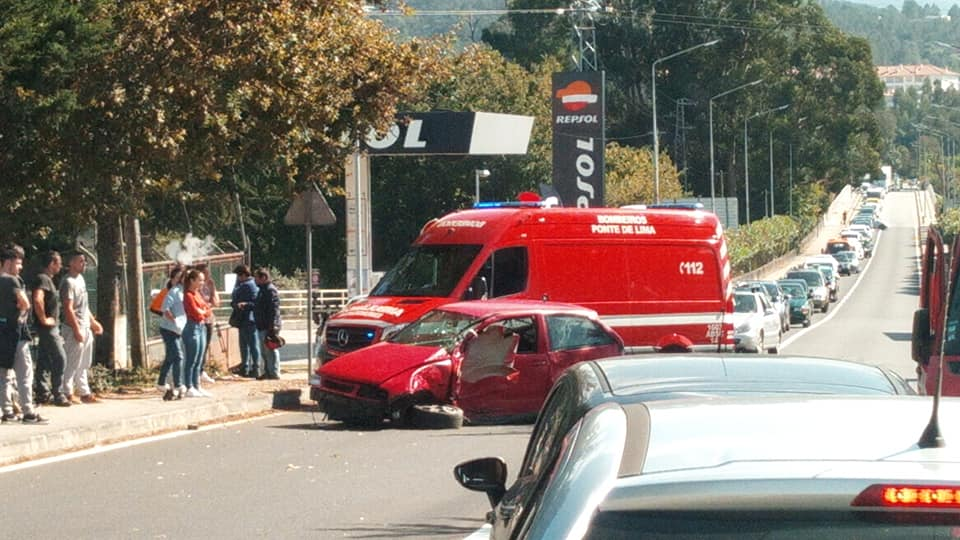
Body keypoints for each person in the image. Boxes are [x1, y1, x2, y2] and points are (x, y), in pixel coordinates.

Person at [0, 243, 46, 423]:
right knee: (24, 373)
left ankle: (7, 411)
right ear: (9, 262)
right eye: (18, 263)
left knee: (3, 374)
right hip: (17, 333)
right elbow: (25, 303)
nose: (20, 267)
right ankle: (28, 412)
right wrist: (21, 314)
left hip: (1, 332)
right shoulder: (13, 281)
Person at [60, 252, 103, 404]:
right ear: (71, 263)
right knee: (72, 361)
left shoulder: (81, 279)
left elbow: (85, 306)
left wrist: (92, 322)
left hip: (85, 326)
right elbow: (68, 308)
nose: (84, 264)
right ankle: (67, 391)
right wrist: (76, 329)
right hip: (73, 327)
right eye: (80, 261)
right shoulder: (68, 282)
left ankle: (84, 392)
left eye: (84, 261)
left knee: (84, 362)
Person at [31, 250, 70, 407]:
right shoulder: (43, 279)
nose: (60, 266)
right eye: (58, 263)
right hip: (48, 328)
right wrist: (44, 319)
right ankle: (58, 392)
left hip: (51, 327)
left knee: (44, 359)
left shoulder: (48, 280)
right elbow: (38, 299)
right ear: (52, 263)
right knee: (60, 358)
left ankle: (42, 391)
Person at [156, 265, 186, 400]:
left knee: (170, 357)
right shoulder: (173, 292)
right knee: (178, 356)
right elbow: (165, 309)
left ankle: (163, 383)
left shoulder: (184, 291)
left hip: (177, 329)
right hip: (169, 328)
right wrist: (175, 321)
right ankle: (178, 385)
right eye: (178, 278)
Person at [182, 269, 212, 397]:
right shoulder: (188, 295)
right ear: (192, 280)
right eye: (200, 280)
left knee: (199, 358)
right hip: (191, 327)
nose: (202, 283)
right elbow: (195, 312)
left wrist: (203, 311)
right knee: (191, 358)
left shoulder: (197, 294)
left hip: (201, 326)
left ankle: (197, 385)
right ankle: (189, 386)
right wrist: (203, 311)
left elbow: (207, 310)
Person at [230, 265, 260, 378]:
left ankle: (254, 367)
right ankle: (247, 367)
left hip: (247, 319)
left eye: (238, 276)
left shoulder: (248, 286)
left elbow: (254, 303)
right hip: (245, 319)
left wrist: (243, 304)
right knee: (246, 345)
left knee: (251, 345)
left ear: (243, 275)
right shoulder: (248, 285)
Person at [253, 268, 282, 380]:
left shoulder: (270, 290)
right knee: (264, 350)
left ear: (263, 278)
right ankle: (267, 371)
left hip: (268, 325)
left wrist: (273, 326)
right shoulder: (262, 290)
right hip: (262, 324)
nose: (255, 280)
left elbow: (274, 309)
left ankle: (274, 372)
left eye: (257, 278)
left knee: (270, 348)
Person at [194, 262, 220, 384]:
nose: (207, 275)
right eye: (204, 273)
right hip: (200, 319)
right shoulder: (194, 288)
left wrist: (212, 290)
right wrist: (206, 305)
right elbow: (198, 304)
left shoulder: (210, 284)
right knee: (199, 347)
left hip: (209, 318)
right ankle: (196, 371)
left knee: (205, 346)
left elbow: (216, 302)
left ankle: (201, 370)